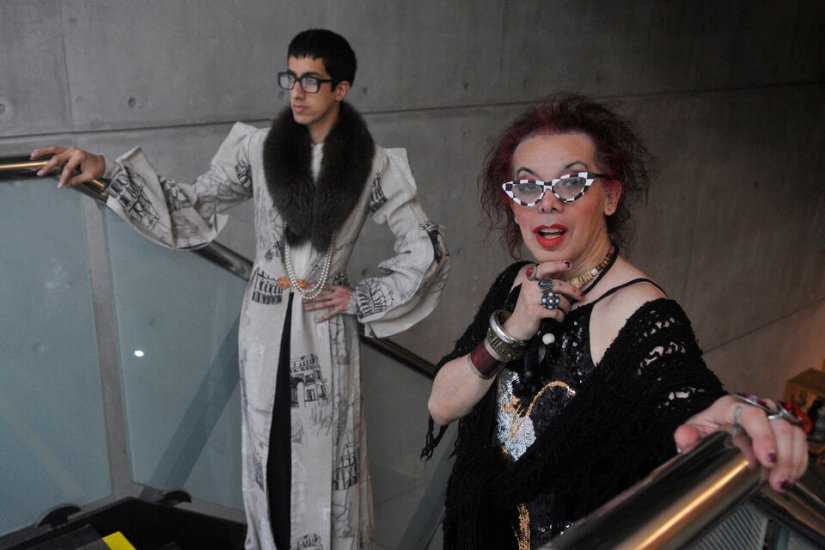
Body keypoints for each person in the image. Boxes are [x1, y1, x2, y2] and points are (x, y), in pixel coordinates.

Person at [34, 29, 449, 550]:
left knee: (324, 460)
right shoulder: (258, 148)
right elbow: (193, 205)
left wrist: (363, 298)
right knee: (267, 459)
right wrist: (106, 169)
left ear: (341, 89)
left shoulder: (372, 163)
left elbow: (426, 246)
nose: (296, 91)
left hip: (323, 330)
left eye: (311, 81)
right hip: (263, 324)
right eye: (290, 77)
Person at [424, 93, 807, 548]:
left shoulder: (637, 311)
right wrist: (512, 329)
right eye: (527, 187)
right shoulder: (517, 283)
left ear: (610, 196)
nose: (547, 203)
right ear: (513, 205)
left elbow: (685, 394)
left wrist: (737, 416)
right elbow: (442, 405)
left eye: (571, 183)